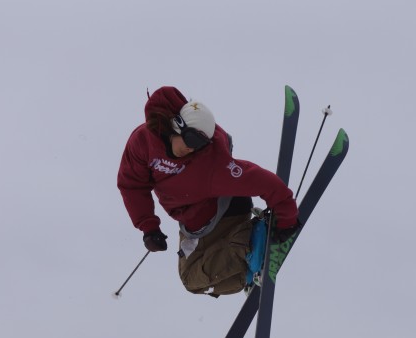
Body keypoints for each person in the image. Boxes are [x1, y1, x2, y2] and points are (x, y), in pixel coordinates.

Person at [117, 86, 300, 297]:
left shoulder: (211, 164)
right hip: (192, 221)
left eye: (201, 144)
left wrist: (287, 219)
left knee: (193, 278)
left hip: (221, 215)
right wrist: (148, 227)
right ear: (175, 126)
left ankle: (250, 243)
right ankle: (247, 271)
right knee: (195, 282)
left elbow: (264, 182)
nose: (192, 149)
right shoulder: (143, 142)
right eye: (192, 140)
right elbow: (132, 185)